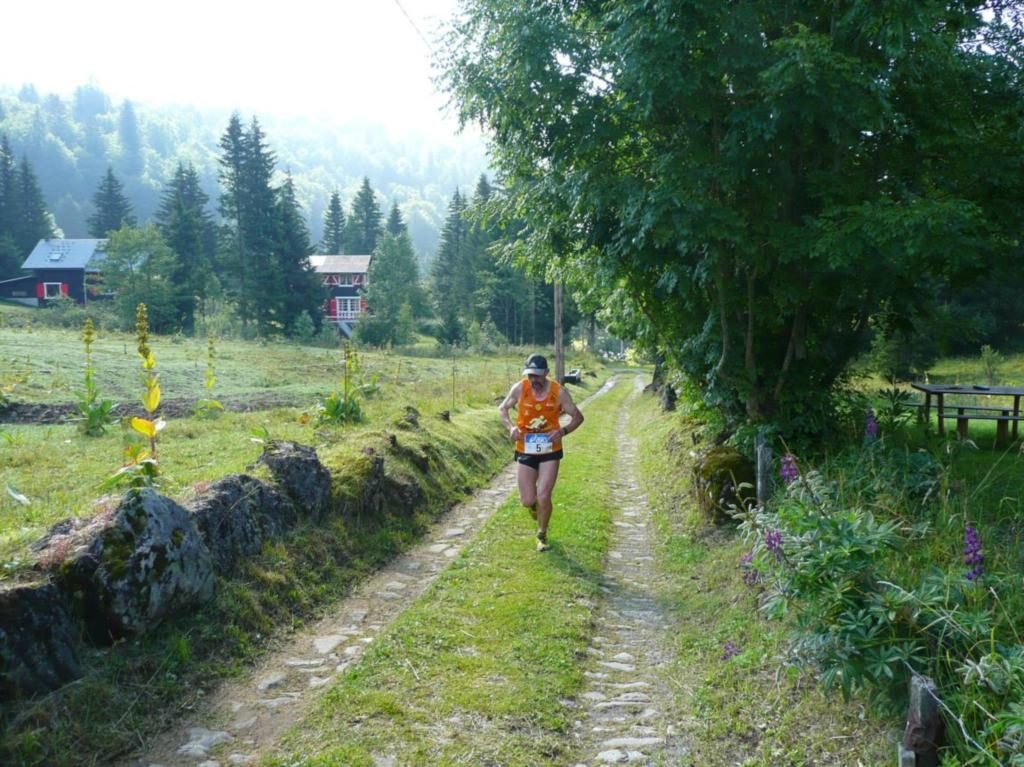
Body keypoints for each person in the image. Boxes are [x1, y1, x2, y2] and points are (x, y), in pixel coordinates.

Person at [498, 353, 584, 551]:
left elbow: (578, 417)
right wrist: (511, 428)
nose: (534, 380)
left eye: (537, 375)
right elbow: (503, 409)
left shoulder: (558, 391)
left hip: (549, 450)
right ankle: (536, 508)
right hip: (525, 449)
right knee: (528, 500)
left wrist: (562, 431)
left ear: (546, 372)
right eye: (530, 375)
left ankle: (542, 534)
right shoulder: (520, 388)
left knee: (544, 495)